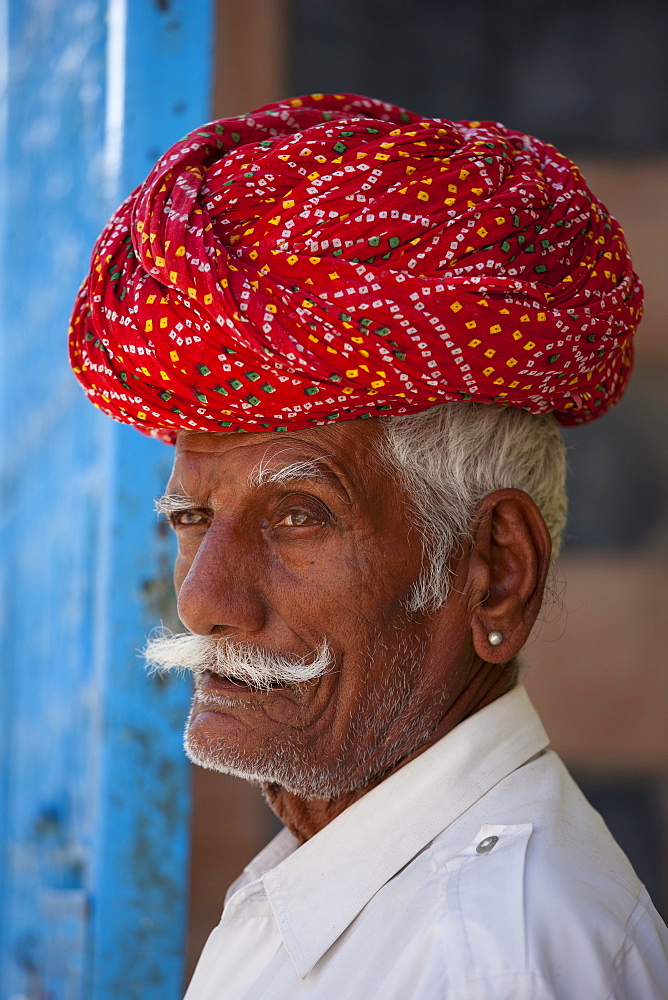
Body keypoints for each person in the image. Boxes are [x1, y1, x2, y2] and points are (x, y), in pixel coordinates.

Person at [69, 94, 668, 999]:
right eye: (192, 517)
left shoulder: (485, 961)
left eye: (297, 516)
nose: (202, 599)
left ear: (497, 573)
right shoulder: (353, 885)